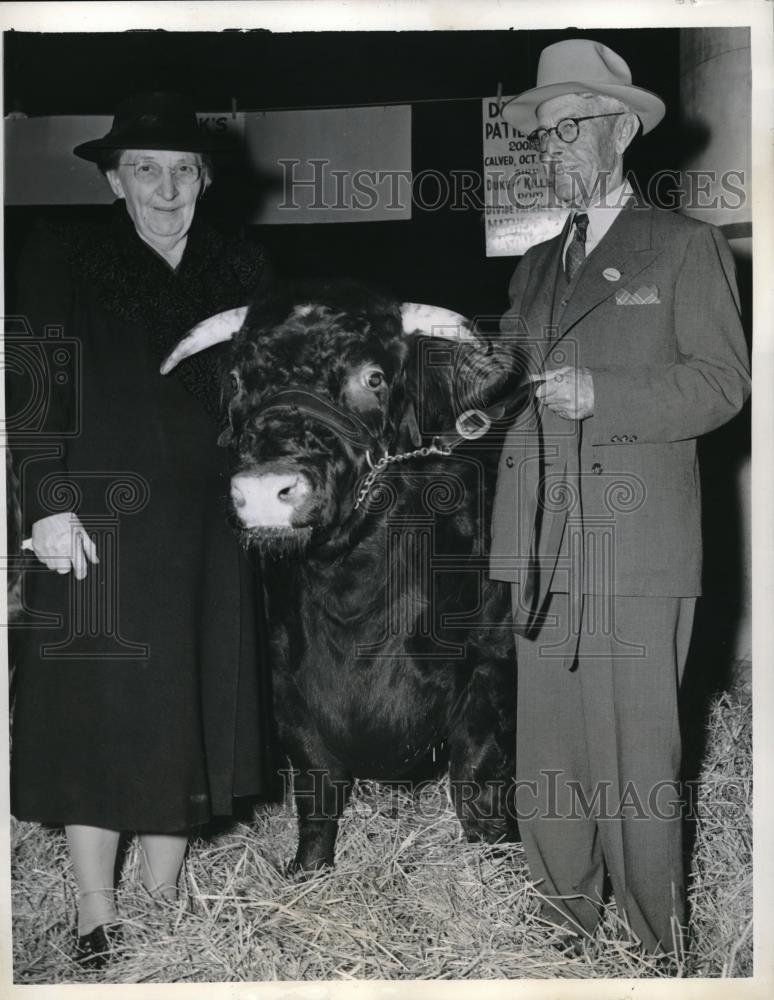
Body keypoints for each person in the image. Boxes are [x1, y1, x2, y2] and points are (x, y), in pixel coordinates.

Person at [489, 40, 750, 955]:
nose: (550, 149)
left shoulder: (683, 248)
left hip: (636, 546)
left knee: (639, 756)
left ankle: (653, 947)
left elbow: (724, 384)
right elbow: (507, 384)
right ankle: (564, 929)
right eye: (543, 136)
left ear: (617, 133)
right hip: (539, 543)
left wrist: (609, 396)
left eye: (567, 130)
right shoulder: (531, 267)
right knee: (550, 753)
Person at [7, 92, 273, 968]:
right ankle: (94, 908)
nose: (167, 188)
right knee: (101, 712)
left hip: (209, 533)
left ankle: (159, 901)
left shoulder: (240, 272)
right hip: (98, 526)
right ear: (117, 184)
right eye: (147, 172)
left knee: (187, 707)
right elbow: (34, 391)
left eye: (183, 171)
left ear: (204, 180)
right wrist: (43, 501)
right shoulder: (65, 261)